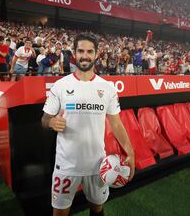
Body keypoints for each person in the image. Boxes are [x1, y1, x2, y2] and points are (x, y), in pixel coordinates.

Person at [41, 33, 135, 216]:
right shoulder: (60, 86)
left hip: (98, 165)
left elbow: (116, 123)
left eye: (89, 51)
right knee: (59, 213)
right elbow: (44, 120)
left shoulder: (107, 88)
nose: (85, 55)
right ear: (74, 54)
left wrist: (130, 152)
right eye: (81, 51)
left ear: (96, 54)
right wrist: (51, 122)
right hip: (66, 164)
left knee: (97, 208)